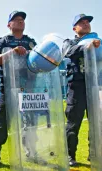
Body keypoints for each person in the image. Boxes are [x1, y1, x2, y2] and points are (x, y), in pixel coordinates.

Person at [0, 10, 37, 168]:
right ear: (9, 24)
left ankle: (32, 150)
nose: (20, 21)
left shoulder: (30, 42)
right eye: (16, 19)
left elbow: (40, 60)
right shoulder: (3, 41)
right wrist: (12, 52)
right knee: (2, 122)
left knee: (30, 121)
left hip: (28, 89)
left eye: (22, 19)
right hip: (9, 89)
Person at [63, 14, 100, 166]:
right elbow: (68, 52)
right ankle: (70, 155)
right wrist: (87, 46)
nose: (85, 24)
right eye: (81, 22)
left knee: (98, 122)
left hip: (97, 86)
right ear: (74, 28)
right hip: (77, 86)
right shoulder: (69, 42)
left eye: (87, 22)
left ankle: (96, 154)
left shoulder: (98, 42)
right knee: (73, 123)